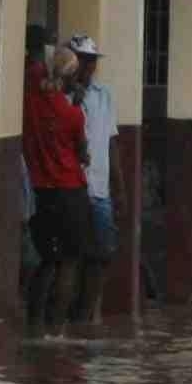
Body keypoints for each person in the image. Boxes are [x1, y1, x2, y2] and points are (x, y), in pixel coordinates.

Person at [18, 33, 95, 330]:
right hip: (71, 192)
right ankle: (57, 329)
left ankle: (34, 326)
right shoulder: (73, 114)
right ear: (71, 77)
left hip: (40, 192)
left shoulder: (31, 100)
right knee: (69, 261)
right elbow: (83, 154)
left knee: (47, 260)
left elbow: (38, 67)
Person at [71, 35, 121, 322]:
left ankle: (85, 314)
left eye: (91, 61)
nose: (88, 67)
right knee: (72, 254)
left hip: (100, 188)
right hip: (72, 185)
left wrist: (119, 185)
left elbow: (111, 142)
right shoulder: (63, 96)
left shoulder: (104, 95)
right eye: (82, 60)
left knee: (104, 252)